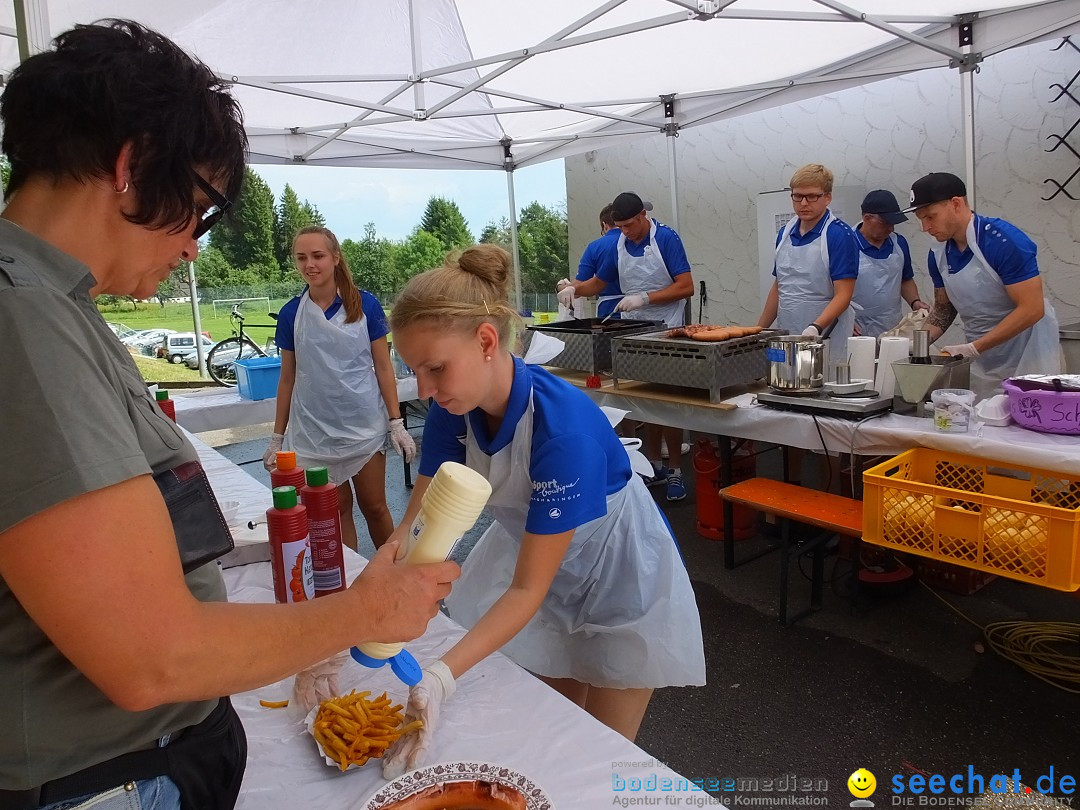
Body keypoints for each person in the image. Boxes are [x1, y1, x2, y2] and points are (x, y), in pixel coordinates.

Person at [0, 21, 457, 810]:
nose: (193, 250)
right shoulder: (25, 321)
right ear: (133, 168)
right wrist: (363, 610)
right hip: (106, 777)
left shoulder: (56, 305)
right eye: (202, 209)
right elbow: (154, 656)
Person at [381, 244, 705, 778]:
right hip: (545, 564)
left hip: (618, 576)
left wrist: (439, 678)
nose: (426, 389)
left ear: (487, 341)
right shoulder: (452, 408)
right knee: (555, 730)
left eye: (435, 368)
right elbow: (415, 527)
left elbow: (526, 590)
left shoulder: (562, 429)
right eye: (415, 370)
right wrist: (351, 627)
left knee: (600, 757)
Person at [264, 225, 415, 552]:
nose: (309, 265)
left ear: (335, 258)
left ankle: (394, 574)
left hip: (363, 426)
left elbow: (383, 366)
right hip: (315, 432)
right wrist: (277, 437)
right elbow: (288, 377)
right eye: (301, 258)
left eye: (317, 255)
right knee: (336, 509)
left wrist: (395, 422)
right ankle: (350, 583)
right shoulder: (292, 314)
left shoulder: (365, 306)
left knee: (375, 506)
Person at [559, 192, 694, 501]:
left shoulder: (667, 239)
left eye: (629, 226)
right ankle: (652, 466)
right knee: (639, 398)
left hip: (667, 326)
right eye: (619, 226)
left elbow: (685, 285)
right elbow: (598, 284)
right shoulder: (618, 243)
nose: (625, 232)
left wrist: (646, 297)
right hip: (633, 328)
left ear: (642, 218)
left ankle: (675, 469)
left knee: (667, 401)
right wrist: (572, 290)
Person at [908, 172, 1061, 397]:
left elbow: (1032, 308)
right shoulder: (938, 254)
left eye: (930, 217)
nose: (925, 227)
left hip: (1029, 354)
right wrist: (914, 345)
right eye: (920, 219)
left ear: (956, 204)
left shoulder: (1003, 241)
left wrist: (974, 348)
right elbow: (944, 309)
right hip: (983, 358)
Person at [757, 163, 859, 376]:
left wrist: (816, 328)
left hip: (825, 338)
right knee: (785, 383)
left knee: (821, 386)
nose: (803, 203)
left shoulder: (839, 235)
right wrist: (758, 332)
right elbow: (779, 287)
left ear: (827, 197)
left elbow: (844, 294)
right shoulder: (785, 233)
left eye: (812, 197)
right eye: (797, 196)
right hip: (788, 336)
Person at [851, 190, 929, 338]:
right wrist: (844, 320)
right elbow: (832, 288)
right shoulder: (846, 244)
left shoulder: (899, 243)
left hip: (893, 327)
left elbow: (905, 279)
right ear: (867, 218)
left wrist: (915, 302)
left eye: (893, 223)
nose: (891, 228)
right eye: (885, 223)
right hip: (856, 328)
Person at [557, 203, 623, 320]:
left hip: (609, 312)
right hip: (642, 309)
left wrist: (561, 287)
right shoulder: (635, 242)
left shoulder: (595, 247)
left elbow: (576, 290)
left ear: (604, 225)